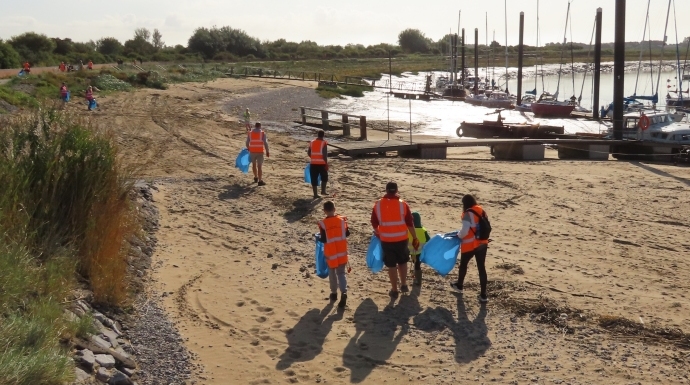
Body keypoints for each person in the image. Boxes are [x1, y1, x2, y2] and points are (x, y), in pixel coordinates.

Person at [371, 182, 420, 299]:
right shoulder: (403, 204)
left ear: (386, 190)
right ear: (396, 190)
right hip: (401, 239)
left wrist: (378, 232)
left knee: (391, 265)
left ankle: (394, 290)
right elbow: (410, 223)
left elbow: (374, 222)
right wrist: (415, 237)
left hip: (386, 240)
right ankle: (403, 284)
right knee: (403, 262)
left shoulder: (378, 205)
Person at [450, 194, 489, 302]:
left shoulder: (467, 214)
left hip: (470, 244)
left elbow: (465, 231)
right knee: (481, 268)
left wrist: (458, 235)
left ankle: (459, 285)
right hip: (483, 243)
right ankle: (483, 295)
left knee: (463, 265)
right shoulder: (481, 210)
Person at [318, 201, 350, 309]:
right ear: (334, 209)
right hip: (342, 252)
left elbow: (323, 239)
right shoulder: (342, 221)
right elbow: (347, 233)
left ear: (324, 211)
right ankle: (344, 292)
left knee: (332, 273)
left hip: (331, 253)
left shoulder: (323, 224)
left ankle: (334, 293)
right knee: (341, 273)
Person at [408, 212, 430, 286]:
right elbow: (428, 239)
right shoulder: (423, 230)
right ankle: (417, 277)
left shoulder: (409, 230)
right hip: (420, 251)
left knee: (415, 263)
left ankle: (418, 280)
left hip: (411, 251)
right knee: (417, 264)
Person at [307, 130, 328, 199]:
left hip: (313, 163)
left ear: (317, 135)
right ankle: (323, 191)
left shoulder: (312, 142)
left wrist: (313, 157)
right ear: (323, 135)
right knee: (324, 177)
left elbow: (309, 152)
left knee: (314, 178)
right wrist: (326, 163)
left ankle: (315, 194)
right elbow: (324, 155)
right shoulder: (324, 143)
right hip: (321, 163)